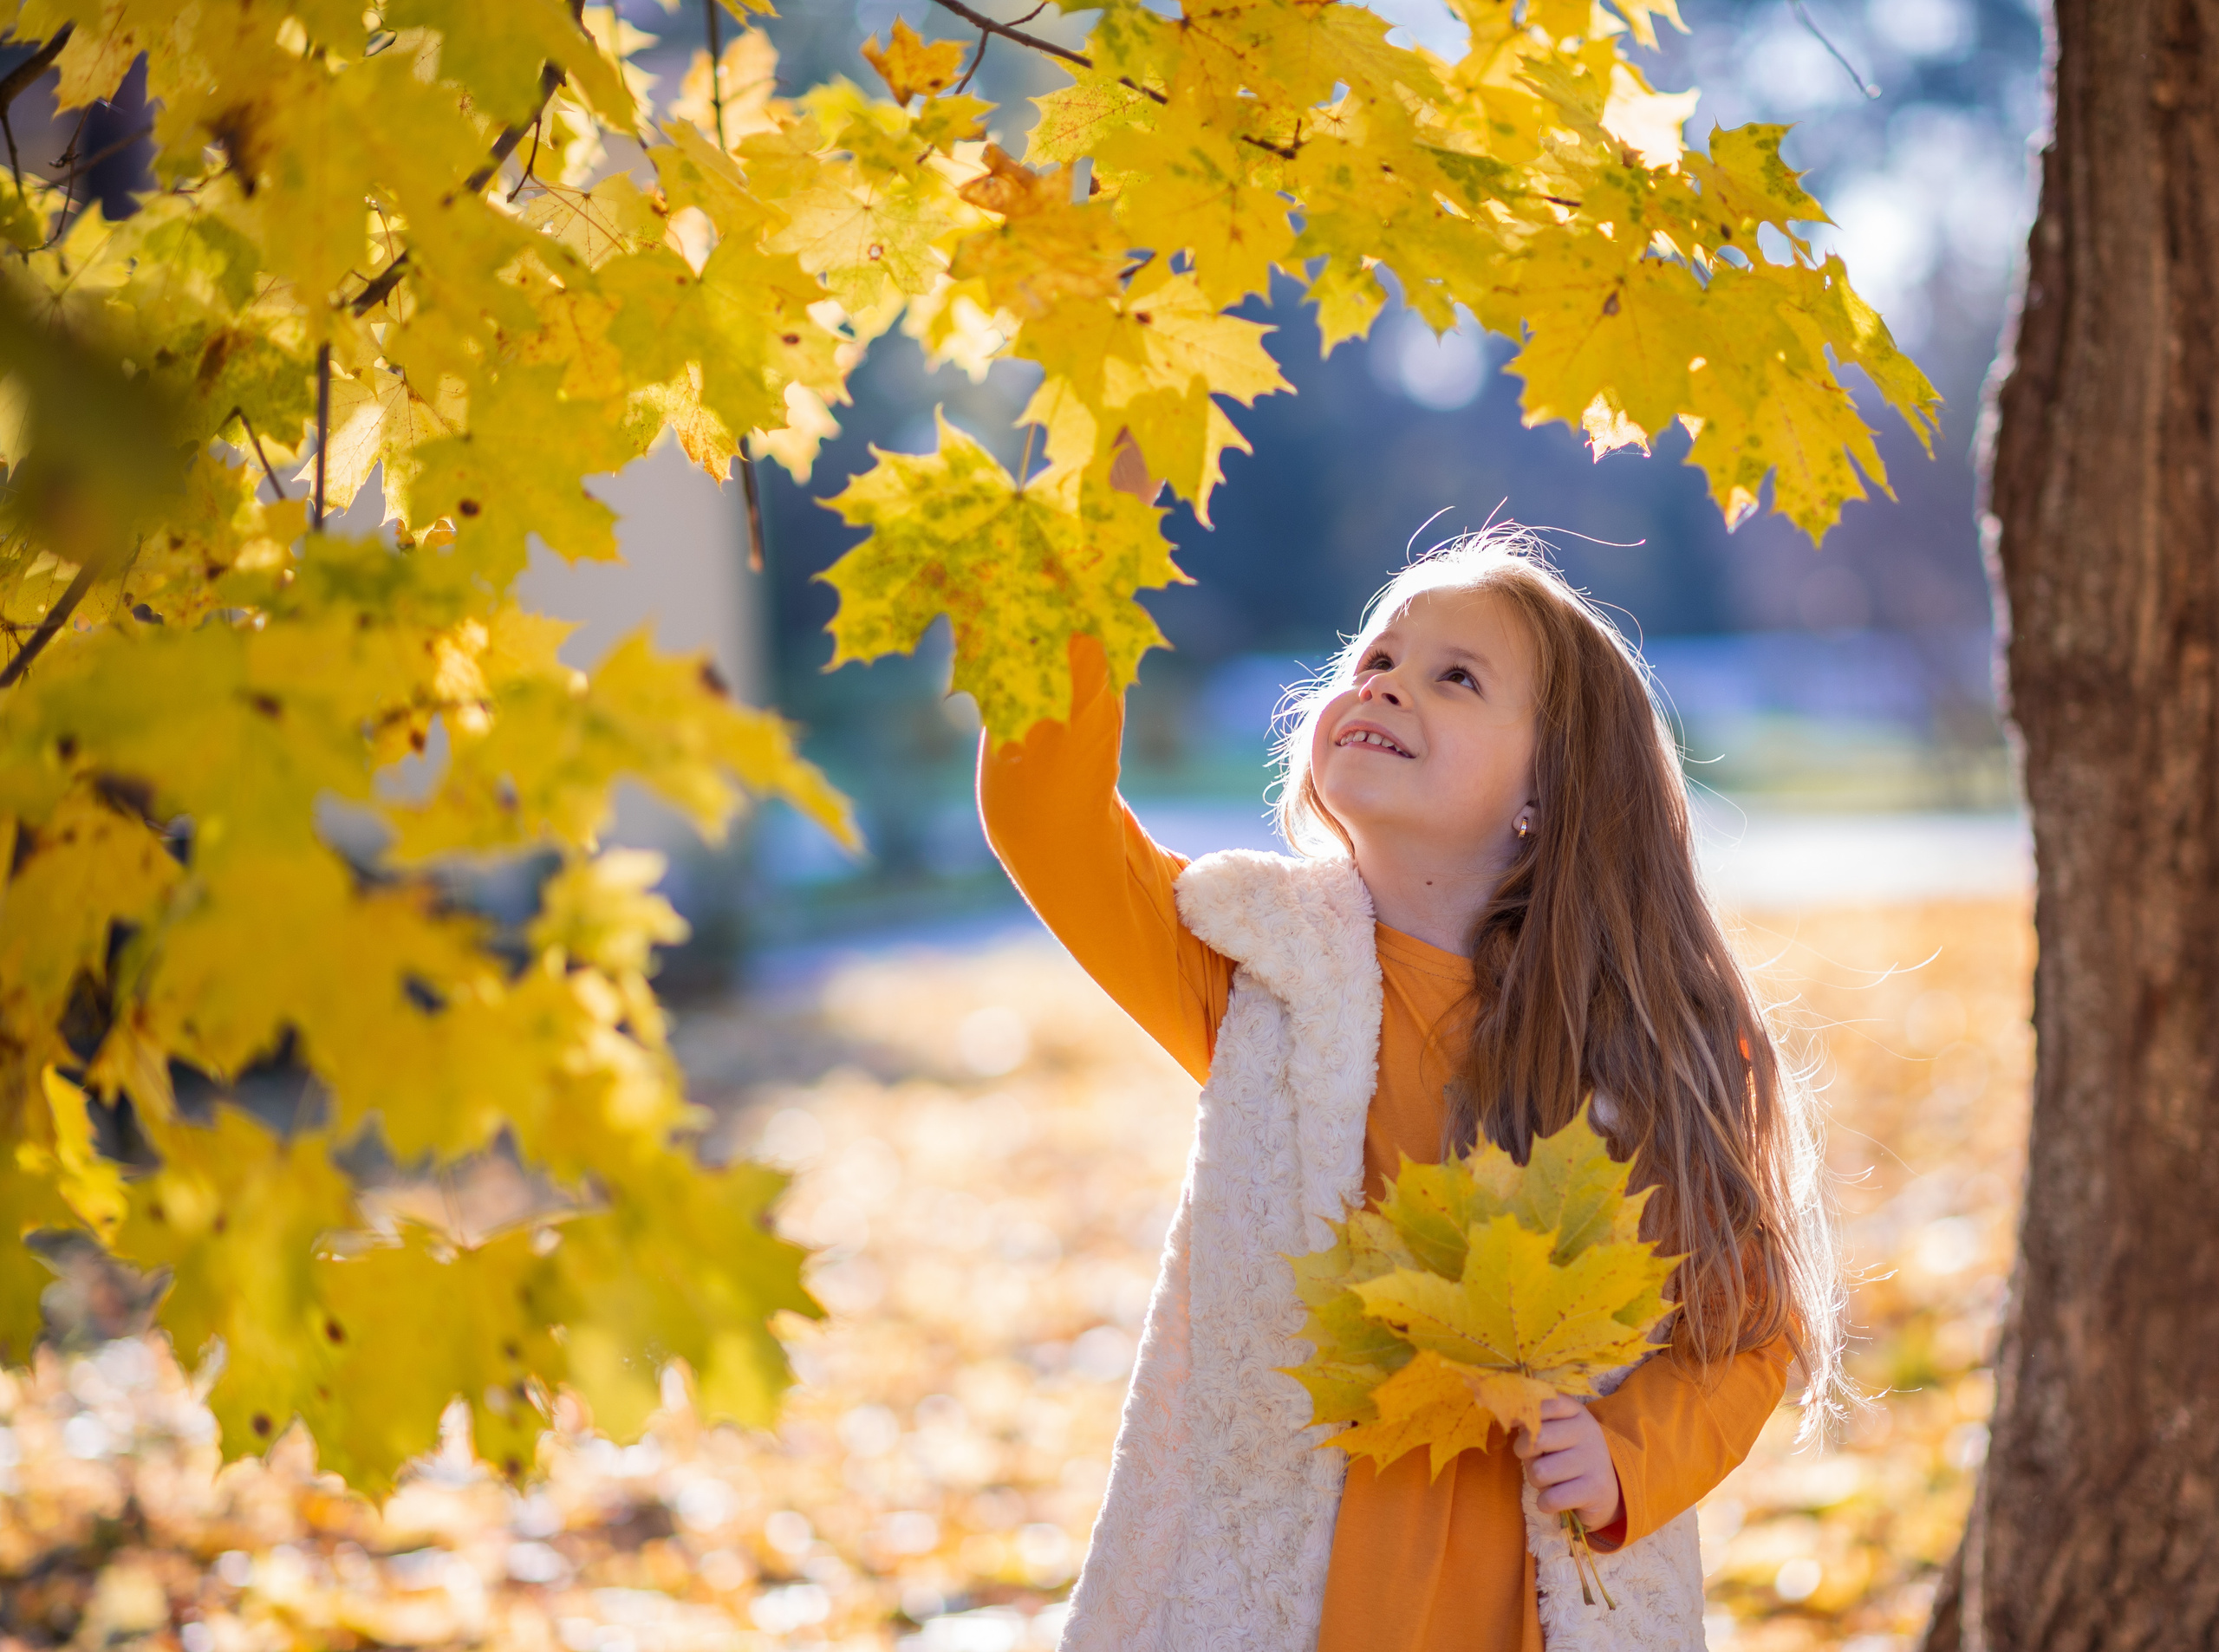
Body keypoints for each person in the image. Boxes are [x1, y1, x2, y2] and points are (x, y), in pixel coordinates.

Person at [979, 526, 1842, 1652]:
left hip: (1523, 1610)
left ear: (1553, 787)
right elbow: (1042, 813)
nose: (1384, 681)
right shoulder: (1257, 974)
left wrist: (1626, 1455)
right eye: (1376, 658)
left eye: (1456, 676)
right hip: (1283, 1600)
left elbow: (1746, 1329)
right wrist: (1091, 541)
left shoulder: (1632, 1052)